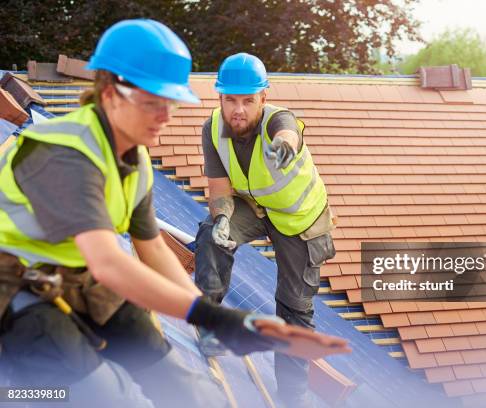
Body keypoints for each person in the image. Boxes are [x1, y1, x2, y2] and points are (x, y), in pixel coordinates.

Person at [0, 20, 340, 408]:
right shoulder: (65, 153)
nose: (166, 115)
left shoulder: (134, 158)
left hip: (82, 281)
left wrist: (207, 313)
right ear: (111, 92)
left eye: (171, 102)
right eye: (153, 101)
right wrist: (217, 319)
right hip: (17, 294)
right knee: (110, 397)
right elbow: (110, 263)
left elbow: (154, 251)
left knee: (184, 388)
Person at [195, 52, 336, 407]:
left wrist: (285, 144)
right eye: (230, 100)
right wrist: (224, 217)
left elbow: (287, 132)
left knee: (293, 309)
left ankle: (292, 397)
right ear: (220, 98)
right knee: (212, 233)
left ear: (263, 98)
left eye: (248, 100)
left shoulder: (278, 120)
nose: (238, 110)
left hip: (299, 220)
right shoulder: (213, 128)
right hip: (254, 207)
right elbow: (219, 188)